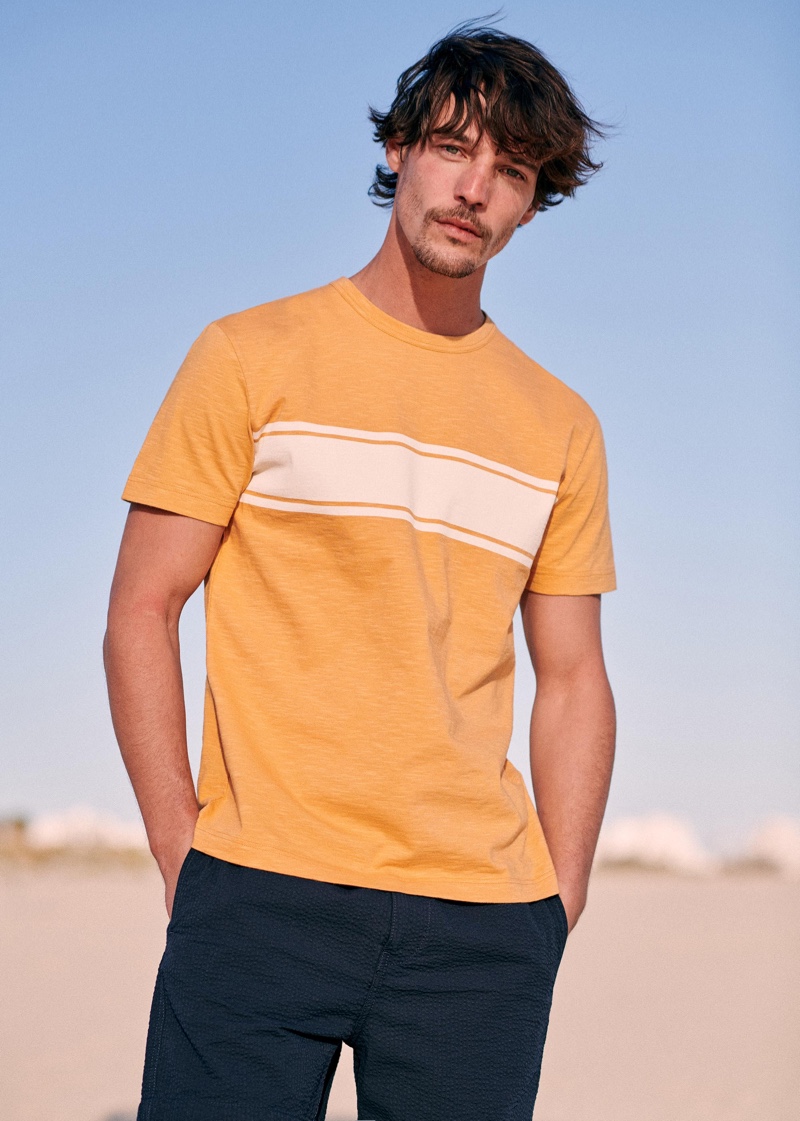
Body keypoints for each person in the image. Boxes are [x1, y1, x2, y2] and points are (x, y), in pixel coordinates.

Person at [104, 21, 616, 1121]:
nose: (474, 188)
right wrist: (181, 849)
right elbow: (143, 606)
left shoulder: (559, 423)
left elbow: (573, 674)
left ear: (534, 203)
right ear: (397, 148)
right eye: (451, 148)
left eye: (512, 170)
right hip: (257, 893)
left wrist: (557, 897)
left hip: (482, 922)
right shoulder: (249, 356)